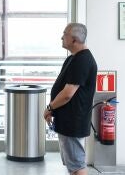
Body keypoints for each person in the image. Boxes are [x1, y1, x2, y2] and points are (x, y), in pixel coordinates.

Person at [43, 23, 97, 175]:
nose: (61, 37)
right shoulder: (73, 59)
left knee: (77, 166)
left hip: (73, 121)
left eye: (65, 34)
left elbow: (68, 94)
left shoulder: (83, 60)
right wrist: (53, 110)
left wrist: (50, 108)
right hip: (68, 119)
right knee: (73, 164)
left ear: (74, 40)